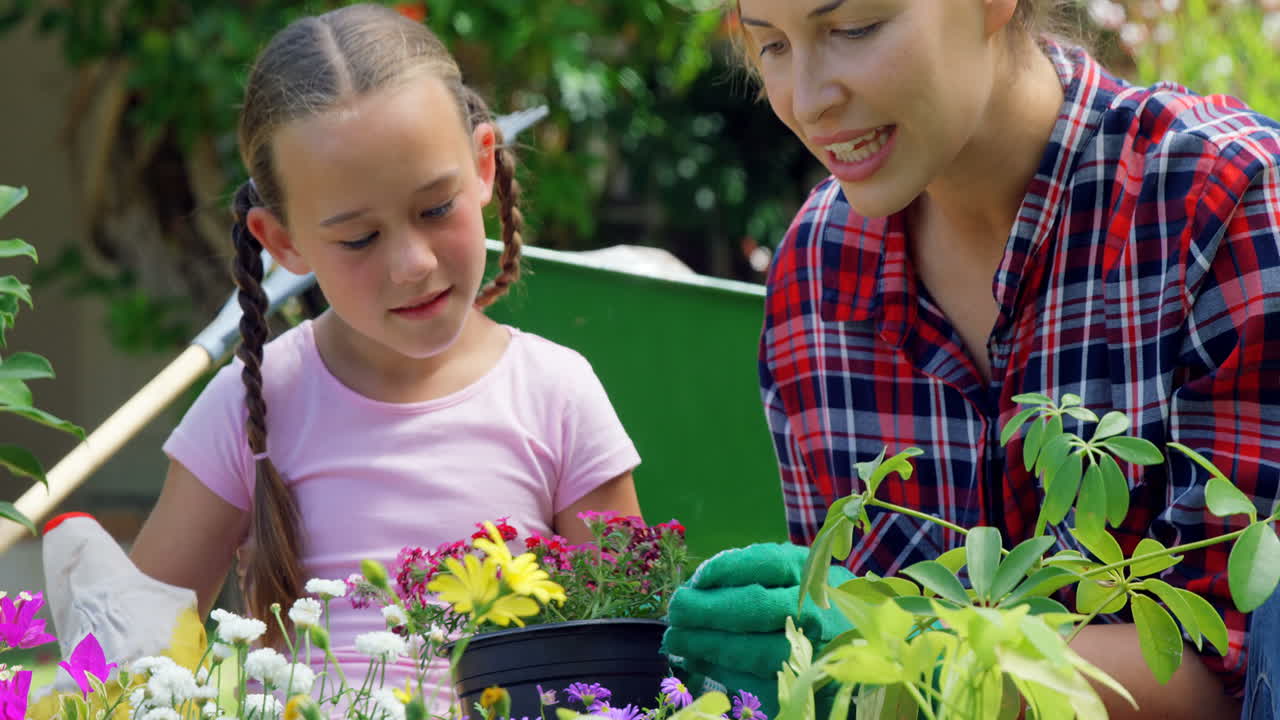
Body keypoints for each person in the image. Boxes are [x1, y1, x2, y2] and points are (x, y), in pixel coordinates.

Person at [663, 1, 1280, 718]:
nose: (808, 100)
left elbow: (1229, 674)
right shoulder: (815, 274)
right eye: (771, 46)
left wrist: (907, 658)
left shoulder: (1225, 201)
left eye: (854, 29)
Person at [126, 2, 642, 706]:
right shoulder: (251, 409)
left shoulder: (556, 394)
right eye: (359, 239)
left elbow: (629, 659)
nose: (411, 263)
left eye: (435, 209)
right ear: (282, 243)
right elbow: (128, 658)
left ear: (483, 165)